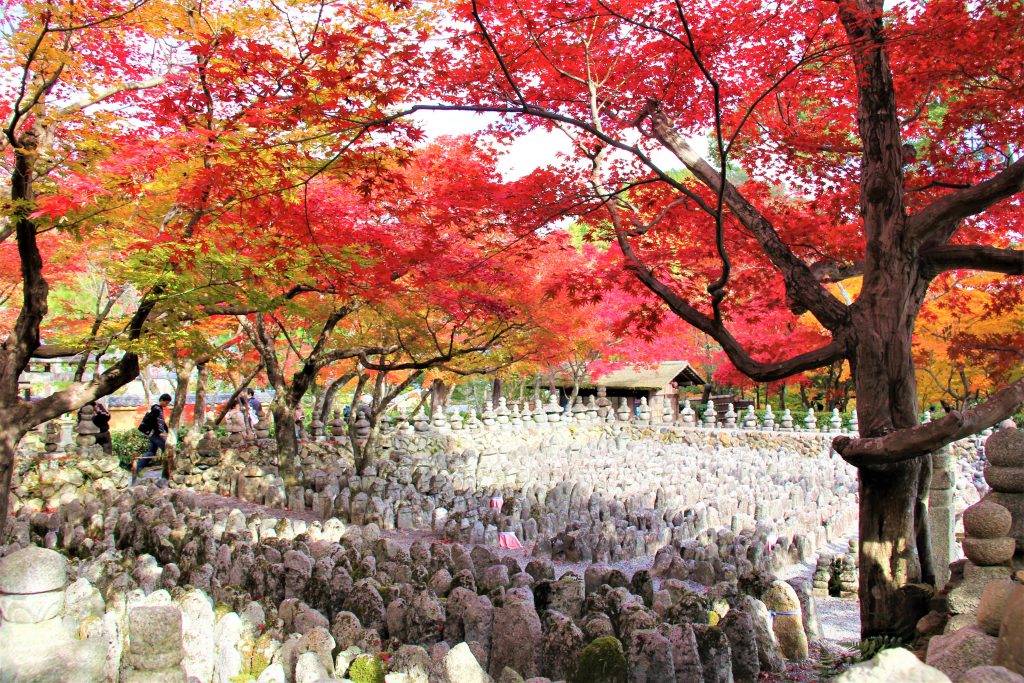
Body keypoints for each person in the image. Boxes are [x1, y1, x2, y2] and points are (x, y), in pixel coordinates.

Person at [139, 393, 171, 469]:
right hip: (153, 434)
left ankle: (139, 467)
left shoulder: (159, 409)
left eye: (168, 403)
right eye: (166, 402)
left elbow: (162, 422)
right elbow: (151, 420)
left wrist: (168, 431)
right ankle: (169, 467)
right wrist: (156, 431)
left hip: (154, 433)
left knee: (152, 452)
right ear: (161, 400)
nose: (167, 404)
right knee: (165, 447)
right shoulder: (156, 409)